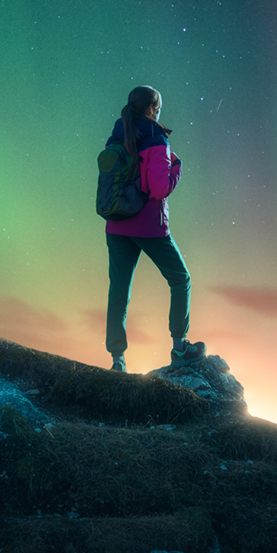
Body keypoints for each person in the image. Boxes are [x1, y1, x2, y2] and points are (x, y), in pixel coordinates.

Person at [103, 85, 204, 372]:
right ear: (150, 109)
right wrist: (177, 168)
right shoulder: (156, 138)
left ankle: (117, 360)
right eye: (157, 108)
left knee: (118, 291)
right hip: (149, 226)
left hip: (117, 224)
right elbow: (159, 189)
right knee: (180, 279)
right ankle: (180, 347)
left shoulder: (116, 137)